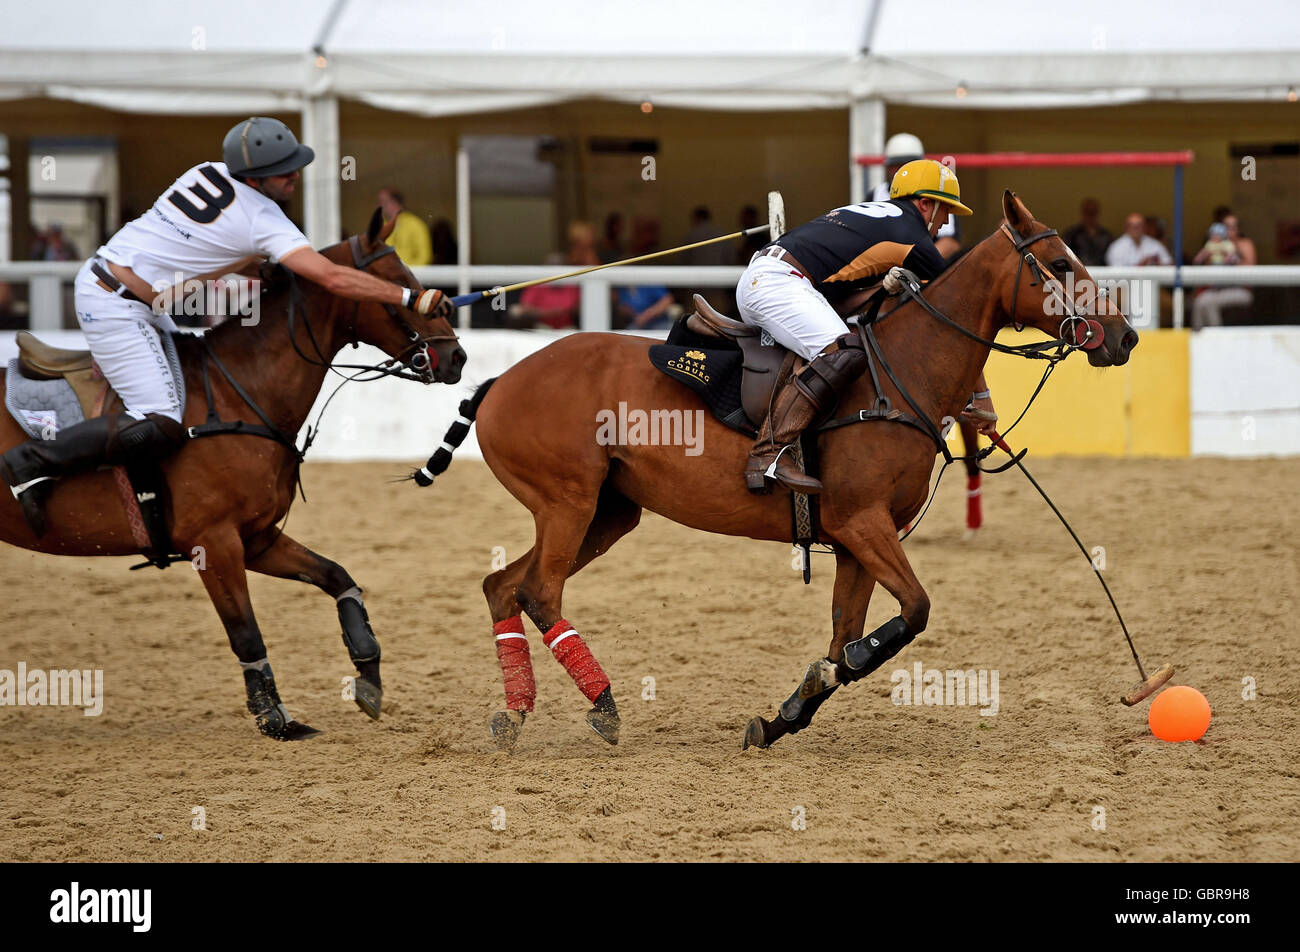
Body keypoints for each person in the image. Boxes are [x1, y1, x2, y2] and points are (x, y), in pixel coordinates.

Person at [1, 116, 450, 526]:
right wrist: (409, 295)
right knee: (161, 420)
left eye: (294, 164)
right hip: (116, 305)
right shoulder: (263, 218)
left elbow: (203, 245)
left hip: (124, 288)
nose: (294, 174)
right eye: (282, 169)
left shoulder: (205, 171)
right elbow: (330, 277)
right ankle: (33, 463)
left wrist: (248, 266)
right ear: (253, 177)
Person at [735, 158, 995, 495]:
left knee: (849, 346)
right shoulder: (911, 234)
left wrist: (881, 291)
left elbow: (842, 303)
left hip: (773, 279)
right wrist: (983, 397)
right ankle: (768, 454)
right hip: (778, 285)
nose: (945, 221)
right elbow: (956, 321)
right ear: (925, 204)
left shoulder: (877, 218)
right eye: (944, 210)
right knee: (843, 353)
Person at [870, 134, 960, 258]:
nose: (903, 170)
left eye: (909, 164)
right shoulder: (875, 195)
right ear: (888, 167)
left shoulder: (937, 194)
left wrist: (919, 265)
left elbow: (950, 243)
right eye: (897, 164)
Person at [510, 220, 598, 330]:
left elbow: (580, 306)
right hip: (541, 328)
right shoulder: (538, 284)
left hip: (567, 328)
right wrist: (548, 312)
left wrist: (568, 310)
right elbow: (523, 308)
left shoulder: (571, 284)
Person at [1190, 219, 1254, 329]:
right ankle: (1198, 339)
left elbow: (1250, 270)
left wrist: (1230, 257)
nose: (1229, 231)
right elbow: (1203, 268)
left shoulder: (1242, 245)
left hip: (1238, 290)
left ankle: (1216, 338)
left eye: (1233, 227)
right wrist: (1209, 258)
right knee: (1199, 301)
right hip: (1216, 289)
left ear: (1238, 229)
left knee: (1208, 302)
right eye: (1225, 227)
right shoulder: (1213, 246)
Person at [377, 187, 432, 266]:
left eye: (383, 202)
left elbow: (425, 256)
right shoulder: (380, 227)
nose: (379, 205)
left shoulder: (415, 224)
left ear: (395, 202)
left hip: (409, 275)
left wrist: (407, 270)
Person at [1106, 213, 1173, 267]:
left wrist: (1157, 263)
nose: (1136, 229)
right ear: (1126, 227)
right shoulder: (1116, 247)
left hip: (1152, 282)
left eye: (1139, 226)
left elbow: (1168, 264)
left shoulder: (1155, 244)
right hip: (1127, 283)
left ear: (1145, 227)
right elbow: (1116, 272)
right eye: (1132, 226)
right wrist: (1140, 266)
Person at [1062, 198, 1114, 267]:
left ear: (1098, 214)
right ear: (1082, 213)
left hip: (1102, 273)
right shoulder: (1071, 235)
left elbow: (1112, 257)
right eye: (1088, 212)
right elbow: (1064, 255)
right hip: (1078, 272)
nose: (1090, 216)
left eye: (1093, 213)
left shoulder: (1106, 236)